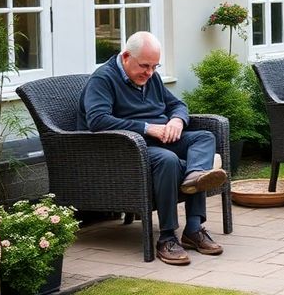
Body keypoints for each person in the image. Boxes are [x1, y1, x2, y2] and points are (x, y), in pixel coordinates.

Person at [78, 31, 228, 266]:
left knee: (204, 138)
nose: (149, 73)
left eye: (154, 67)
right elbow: (97, 120)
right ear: (126, 56)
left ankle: (193, 225)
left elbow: (177, 104)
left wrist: (177, 121)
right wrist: (148, 128)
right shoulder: (103, 79)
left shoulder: (151, 77)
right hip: (126, 148)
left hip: (159, 138)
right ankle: (167, 238)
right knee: (168, 160)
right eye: (144, 66)